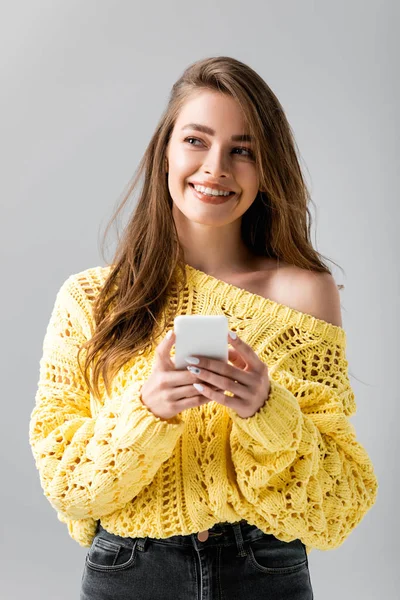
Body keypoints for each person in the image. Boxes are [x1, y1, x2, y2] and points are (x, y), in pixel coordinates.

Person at [29, 56, 378, 600]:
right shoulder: (92, 300)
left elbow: (338, 506)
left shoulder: (305, 294)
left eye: (243, 150)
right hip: (131, 572)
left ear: (267, 170)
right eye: (196, 140)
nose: (215, 167)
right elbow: (67, 485)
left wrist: (269, 411)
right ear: (164, 150)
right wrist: (147, 412)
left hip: (263, 571)